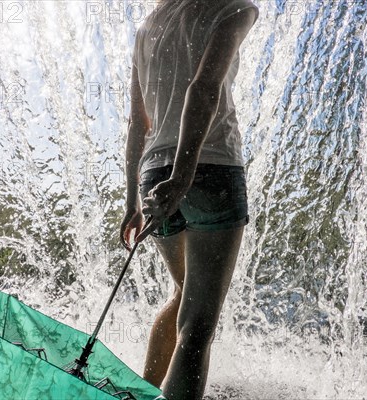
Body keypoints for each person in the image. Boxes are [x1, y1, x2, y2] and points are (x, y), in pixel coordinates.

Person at [120, 0, 259, 398]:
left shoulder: (149, 25)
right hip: (209, 168)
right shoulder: (235, 9)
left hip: (153, 173)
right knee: (197, 328)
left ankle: (144, 390)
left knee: (183, 293)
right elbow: (203, 88)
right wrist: (184, 177)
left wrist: (132, 198)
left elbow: (137, 121)